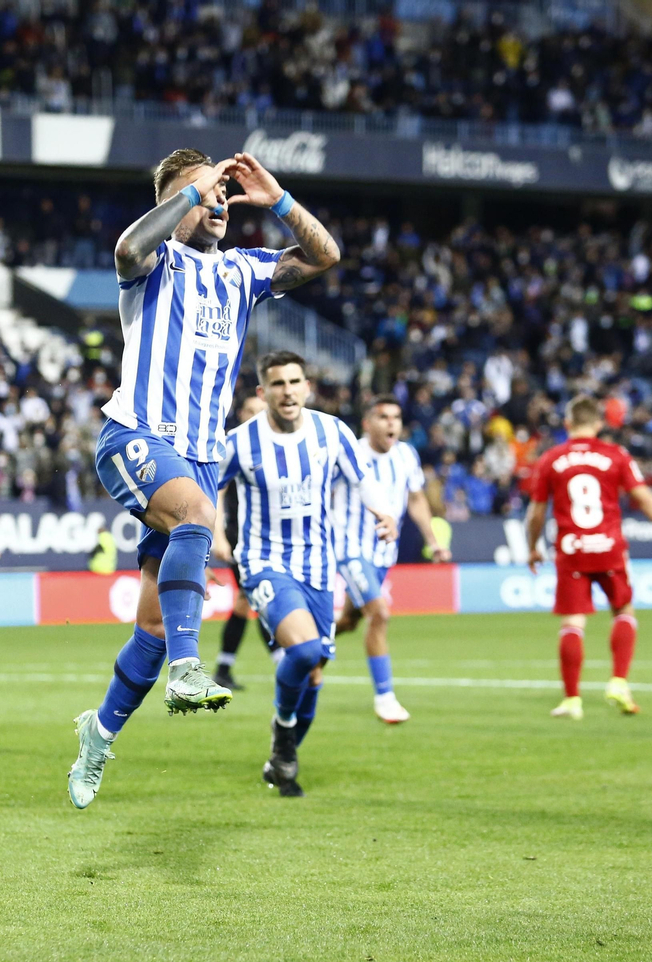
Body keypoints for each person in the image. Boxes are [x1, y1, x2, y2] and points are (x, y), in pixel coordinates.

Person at [67, 148, 340, 809]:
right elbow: (128, 246)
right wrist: (191, 193)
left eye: (222, 192)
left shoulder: (244, 271)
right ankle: (189, 672)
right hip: (135, 436)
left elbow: (325, 255)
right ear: (174, 201)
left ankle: (96, 740)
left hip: (198, 455)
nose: (219, 200)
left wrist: (274, 198)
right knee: (198, 517)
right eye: (206, 192)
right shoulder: (154, 263)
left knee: (153, 629)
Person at [215, 353, 396, 796]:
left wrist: (382, 511)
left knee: (314, 674)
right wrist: (214, 535)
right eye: (277, 384)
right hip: (263, 561)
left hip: (317, 565)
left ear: (308, 386)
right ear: (263, 393)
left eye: (295, 381)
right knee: (305, 651)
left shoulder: (331, 431)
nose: (288, 391)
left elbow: (361, 477)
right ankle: (282, 732)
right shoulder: (240, 442)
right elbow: (208, 488)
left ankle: (282, 756)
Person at [525, 395, 652, 721]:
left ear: (568, 424)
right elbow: (643, 497)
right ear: (599, 424)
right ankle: (618, 681)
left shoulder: (551, 459)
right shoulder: (616, 455)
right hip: (609, 547)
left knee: (573, 622)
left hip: (571, 550)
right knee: (624, 610)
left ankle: (572, 700)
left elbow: (536, 513)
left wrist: (532, 546)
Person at [331, 397, 451, 724]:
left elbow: (415, 499)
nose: (391, 424)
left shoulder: (406, 454)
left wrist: (433, 542)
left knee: (351, 620)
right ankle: (385, 697)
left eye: (396, 417)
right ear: (368, 423)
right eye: (383, 417)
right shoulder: (347, 452)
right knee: (380, 613)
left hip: (384, 553)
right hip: (349, 547)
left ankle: (313, 645)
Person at [210, 395, 270, 692]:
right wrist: (218, 535)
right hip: (240, 537)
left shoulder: (273, 448)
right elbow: (217, 494)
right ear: (242, 414)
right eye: (252, 411)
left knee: (248, 601)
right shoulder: (232, 449)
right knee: (257, 597)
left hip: (267, 538)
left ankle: (224, 666)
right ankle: (285, 659)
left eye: (262, 411)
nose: (257, 416)